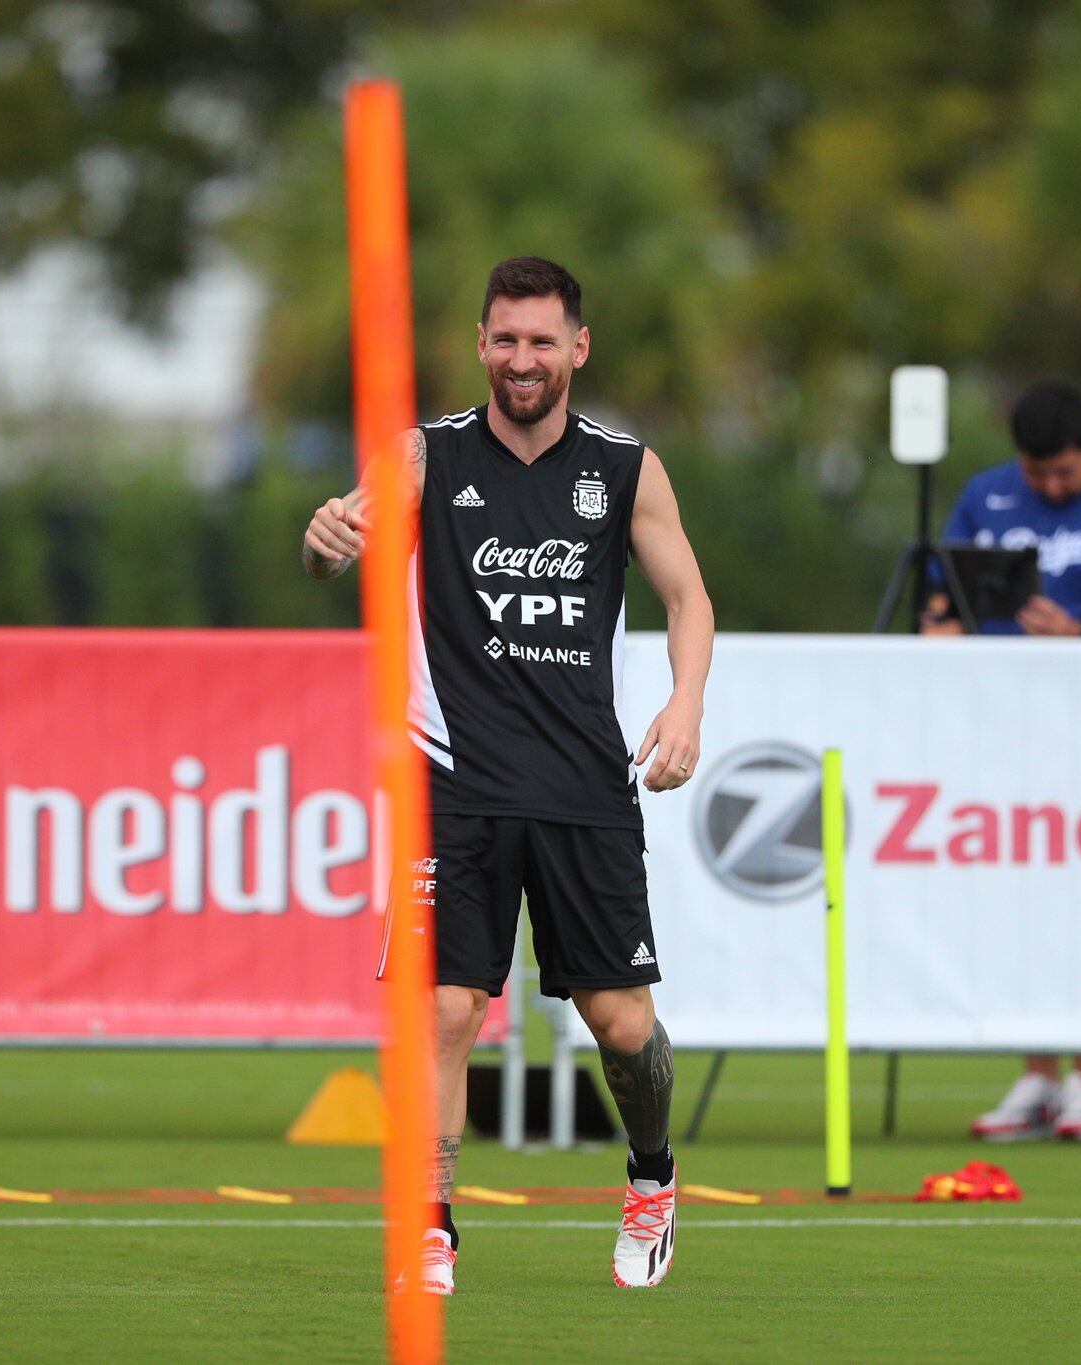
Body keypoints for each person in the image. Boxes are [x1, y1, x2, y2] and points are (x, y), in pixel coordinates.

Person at [302, 256, 714, 1292]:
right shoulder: (424, 458)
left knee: (619, 1023)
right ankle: (432, 1226)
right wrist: (323, 544)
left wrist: (683, 702)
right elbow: (335, 549)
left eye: (541, 341)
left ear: (577, 348)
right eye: (504, 340)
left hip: (581, 784)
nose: (521, 360)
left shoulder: (623, 469)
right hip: (453, 781)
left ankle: (653, 1179)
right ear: (479, 345)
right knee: (446, 1010)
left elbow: (688, 600)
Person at [922, 379, 1081, 1146]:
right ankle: (1037, 1073)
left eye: (1064, 472)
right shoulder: (985, 496)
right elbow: (941, 605)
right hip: (998, 731)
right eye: (1036, 473)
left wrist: (1078, 636)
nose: (1049, 487)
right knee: (1015, 896)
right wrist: (944, 632)